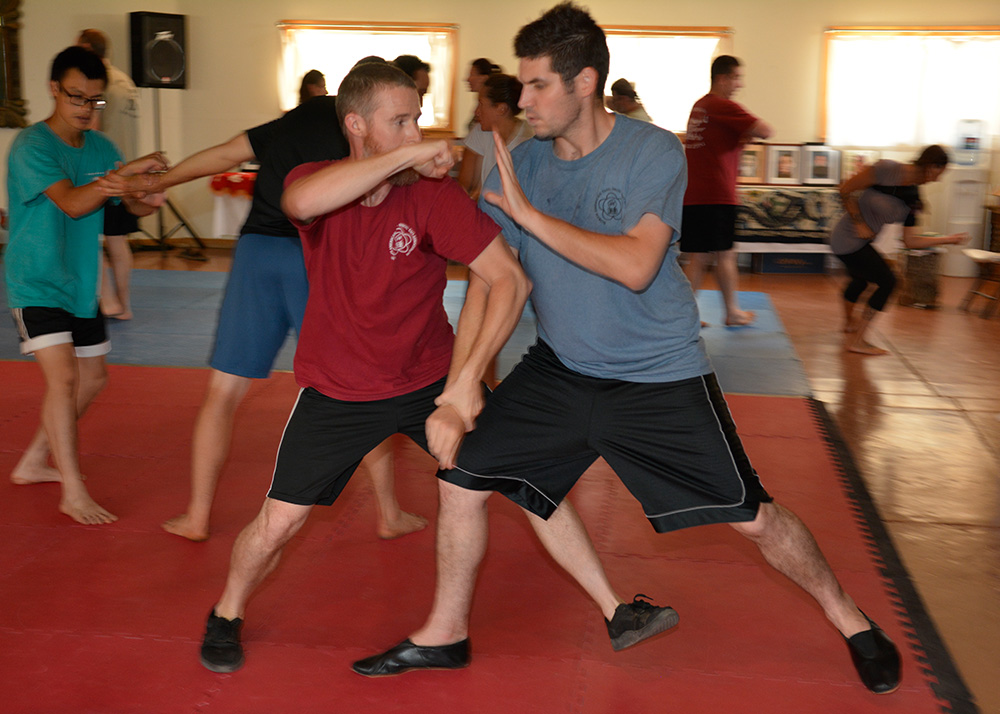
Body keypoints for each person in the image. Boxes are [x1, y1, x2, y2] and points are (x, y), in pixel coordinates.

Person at [355, 4, 902, 697]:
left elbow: (638, 265)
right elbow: (498, 284)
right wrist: (460, 386)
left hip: (658, 377)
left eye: (537, 86)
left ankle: (848, 617)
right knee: (461, 475)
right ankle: (445, 633)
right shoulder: (519, 162)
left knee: (752, 515)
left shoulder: (653, 151)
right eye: (519, 86)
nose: (521, 101)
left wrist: (530, 215)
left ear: (584, 82)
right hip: (559, 370)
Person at [194, 60, 530, 674]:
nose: (413, 132)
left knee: (528, 480)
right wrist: (413, 155)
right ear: (355, 125)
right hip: (339, 390)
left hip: (427, 379)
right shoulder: (313, 179)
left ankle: (612, 604)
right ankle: (227, 611)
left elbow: (508, 277)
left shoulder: (430, 195)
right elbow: (299, 200)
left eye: (417, 120)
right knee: (278, 523)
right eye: (398, 121)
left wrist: (464, 386)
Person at [98, 61, 426, 543]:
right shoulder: (370, 135)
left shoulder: (311, 111)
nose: (407, 127)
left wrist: (157, 183)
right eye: (402, 117)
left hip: (255, 252)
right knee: (355, 392)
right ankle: (389, 512)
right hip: (311, 256)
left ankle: (197, 515)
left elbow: (227, 153)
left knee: (223, 391)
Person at [5, 46, 164, 524]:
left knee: (93, 378)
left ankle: (35, 460)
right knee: (65, 379)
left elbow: (121, 213)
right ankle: (73, 491)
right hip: (35, 281)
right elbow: (74, 203)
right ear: (54, 89)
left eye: (95, 101)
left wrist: (146, 196)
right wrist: (122, 180)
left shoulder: (102, 149)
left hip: (80, 283)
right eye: (77, 97)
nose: (86, 109)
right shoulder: (31, 146)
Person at [833, 145, 966, 355]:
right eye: (939, 174)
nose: (937, 180)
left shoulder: (913, 199)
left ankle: (850, 324)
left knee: (860, 279)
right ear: (930, 166)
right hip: (846, 238)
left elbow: (910, 242)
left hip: (860, 244)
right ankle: (858, 340)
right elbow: (844, 189)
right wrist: (859, 222)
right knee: (889, 281)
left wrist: (948, 239)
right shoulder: (886, 169)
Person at [682, 55, 773, 327]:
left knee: (698, 257)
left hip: (695, 194)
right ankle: (732, 312)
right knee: (725, 254)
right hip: (715, 194)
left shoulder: (701, 106)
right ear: (722, 78)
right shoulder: (722, 105)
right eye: (736, 78)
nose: (739, 84)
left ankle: (686, 316)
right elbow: (766, 130)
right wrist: (747, 132)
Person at [76, 29, 140, 321]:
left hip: (101, 171)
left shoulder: (97, 85)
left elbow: (94, 127)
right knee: (117, 239)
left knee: (86, 235)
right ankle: (123, 304)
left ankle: (108, 301)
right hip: (125, 168)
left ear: (88, 49)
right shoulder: (126, 81)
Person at [458, 74, 533, 199]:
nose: (476, 112)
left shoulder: (529, 140)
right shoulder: (480, 132)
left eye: (481, 104)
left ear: (501, 109)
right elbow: (464, 186)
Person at [464, 57, 501, 132]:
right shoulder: (479, 104)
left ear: (483, 78)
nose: (468, 79)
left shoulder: (490, 105)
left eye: (472, 74)